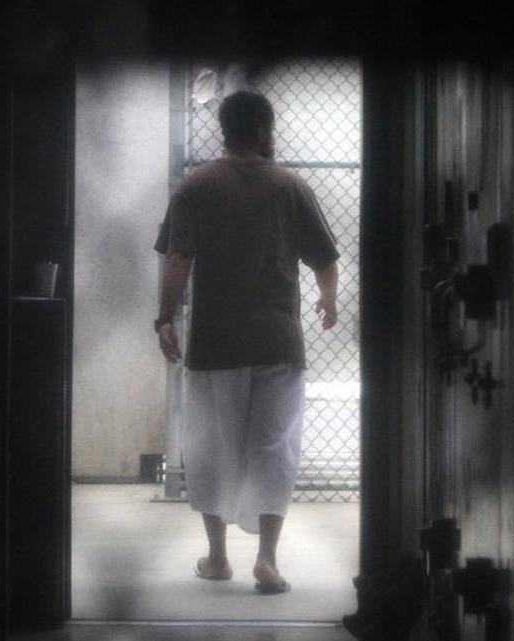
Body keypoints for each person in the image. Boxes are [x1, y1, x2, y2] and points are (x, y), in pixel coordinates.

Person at [152, 90, 340, 595]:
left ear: (225, 130)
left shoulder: (195, 186)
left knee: (211, 446)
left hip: (216, 343)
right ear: (263, 131)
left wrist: (165, 319)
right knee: (274, 445)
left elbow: (178, 257)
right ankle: (267, 559)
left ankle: (217, 558)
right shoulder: (290, 186)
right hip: (278, 342)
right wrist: (328, 300)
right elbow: (324, 258)